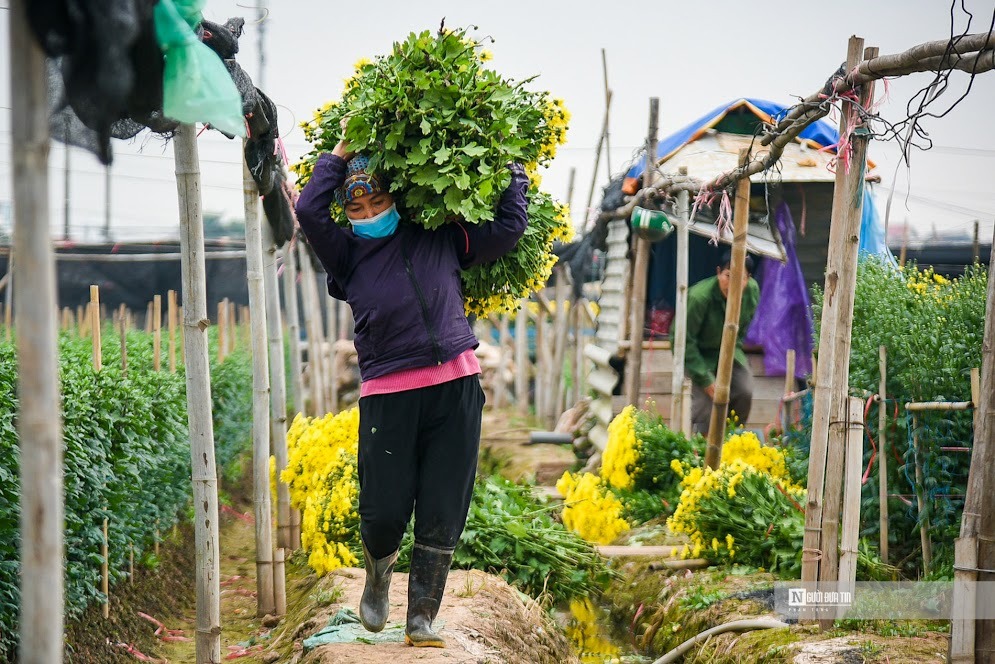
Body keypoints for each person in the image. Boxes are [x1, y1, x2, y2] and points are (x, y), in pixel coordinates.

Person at [294, 126, 528, 648]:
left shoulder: (437, 234)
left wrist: (511, 165)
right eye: (358, 207)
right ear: (347, 214)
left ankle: (421, 616)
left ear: (396, 197)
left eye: (379, 199)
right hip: (388, 392)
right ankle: (378, 575)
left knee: (445, 504)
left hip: (456, 385)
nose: (370, 211)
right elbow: (309, 210)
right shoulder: (347, 257)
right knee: (383, 508)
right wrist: (337, 156)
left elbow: (509, 227)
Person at [681, 250, 759, 434]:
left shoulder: (752, 291)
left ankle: (732, 441)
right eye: (728, 276)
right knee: (706, 407)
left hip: (731, 351)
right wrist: (706, 380)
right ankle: (701, 450)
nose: (733, 284)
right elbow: (684, 340)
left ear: (748, 279)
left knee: (744, 391)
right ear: (718, 272)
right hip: (700, 356)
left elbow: (746, 323)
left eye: (741, 278)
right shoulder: (699, 298)